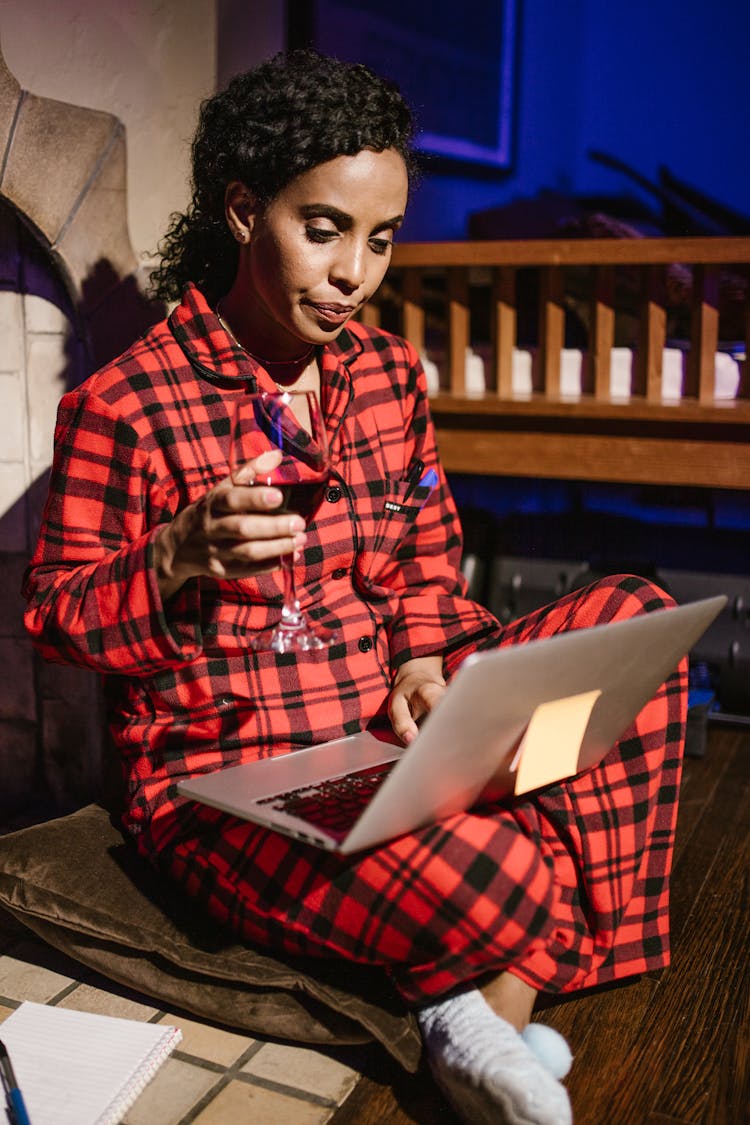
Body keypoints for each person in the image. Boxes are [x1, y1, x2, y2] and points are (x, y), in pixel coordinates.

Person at [23, 50, 687, 1125]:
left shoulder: (384, 376)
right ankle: (483, 1010)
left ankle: (481, 1011)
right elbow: (53, 619)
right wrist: (170, 559)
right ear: (246, 212)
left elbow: (424, 559)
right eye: (324, 229)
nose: (355, 274)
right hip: (228, 777)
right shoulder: (127, 404)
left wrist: (426, 661)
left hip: (386, 731)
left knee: (639, 632)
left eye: (380, 240)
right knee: (516, 874)